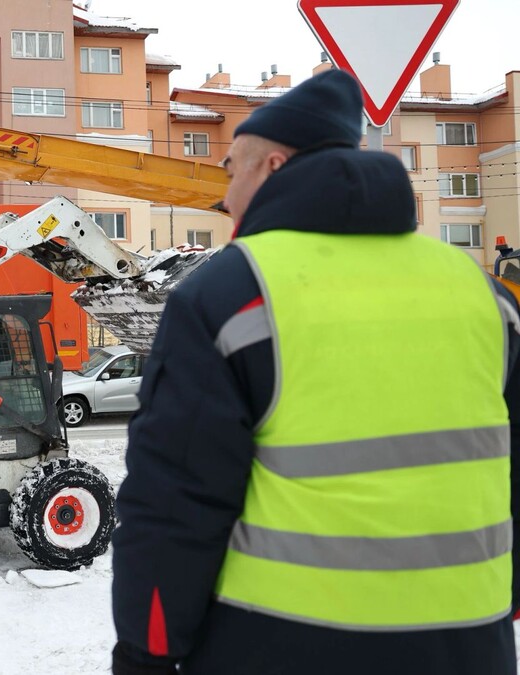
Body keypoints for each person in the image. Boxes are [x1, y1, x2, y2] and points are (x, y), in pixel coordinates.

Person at [111, 68, 520, 675]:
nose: (224, 198)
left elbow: (175, 505)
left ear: (273, 167)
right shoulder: (485, 296)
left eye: (231, 172)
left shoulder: (232, 293)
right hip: (470, 642)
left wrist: (147, 653)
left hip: (279, 644)